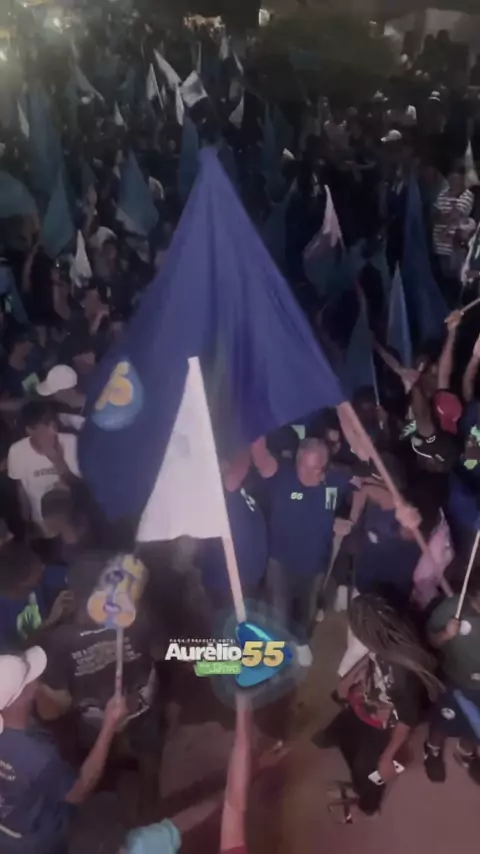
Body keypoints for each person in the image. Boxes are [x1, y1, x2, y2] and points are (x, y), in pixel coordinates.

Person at [37, 552, 164, 822]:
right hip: (141, 704)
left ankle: (108, 790)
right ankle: (148, 814)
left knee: (100, 754)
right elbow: (159, 652)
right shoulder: (140, 617)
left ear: (74, 596)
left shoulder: (59, 640)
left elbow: (51, 709)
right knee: (149, 757)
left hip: (94, 719)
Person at [321, 594, 443, 821]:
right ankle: (361, 786)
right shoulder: (383, 639)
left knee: (371, 771)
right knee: (345, 741)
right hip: (371, 705)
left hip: (389, 724)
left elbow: (407, 719)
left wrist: (388, 756)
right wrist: (352, 675)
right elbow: (372, 654)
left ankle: (368, 806)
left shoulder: (401, 676)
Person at [0, 645, 127, 853]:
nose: (36, 681)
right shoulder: (38, 756)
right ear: (20, 698)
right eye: (29, 678)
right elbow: (79, 791)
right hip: (35, 841)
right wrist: (108, 727)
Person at [264, 438, 356, 666]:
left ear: (325, 466)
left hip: (315, 563)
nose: (306, 474)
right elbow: (262, 460)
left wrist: (352, 517)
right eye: (303, 466)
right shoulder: (282, 477)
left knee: (309, 609)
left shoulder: (336, 479)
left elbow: (365, 486)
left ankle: (302, 641)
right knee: (279, 611)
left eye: (314, 468)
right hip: (281, 562)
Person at [424, 575, 480, 784]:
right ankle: (432, 750)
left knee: (476, 728)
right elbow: (431, 640)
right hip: (456, 682)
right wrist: (446, 634)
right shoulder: (453, 608)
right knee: (442, 722)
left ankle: (464, 753)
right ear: (475, 596)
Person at [7, 401, 80, 537]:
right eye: (46, 426)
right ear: (30, 430)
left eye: (54, 424)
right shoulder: (17, 451)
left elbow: (83, 490)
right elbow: (21, 489)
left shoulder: (72, 442)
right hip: (41, 526)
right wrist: (26, 523)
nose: (54, 431)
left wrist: (57, 460)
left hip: (72, 526)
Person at [0, 540, 69, 647]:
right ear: (18, 585)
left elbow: (77, 575)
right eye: (38, 580)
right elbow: (16, 653)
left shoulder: (40, 577)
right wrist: (50, 621)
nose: (40, 582)